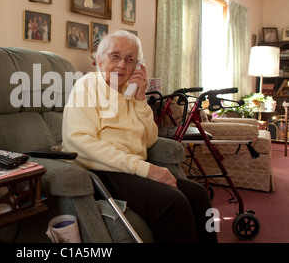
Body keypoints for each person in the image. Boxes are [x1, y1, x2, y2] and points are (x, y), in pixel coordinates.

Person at [62, 30, 218, 243]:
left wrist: (139, 100)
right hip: (101, 171)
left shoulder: (129, 90)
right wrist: (145, 169)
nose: (122, 65)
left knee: (198, 194)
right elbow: (79, 142)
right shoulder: (87, 86)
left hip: (132, 169)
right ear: (99, 59)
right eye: (114, 56)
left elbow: (149, 139)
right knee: (173, 203)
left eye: (130, 59)